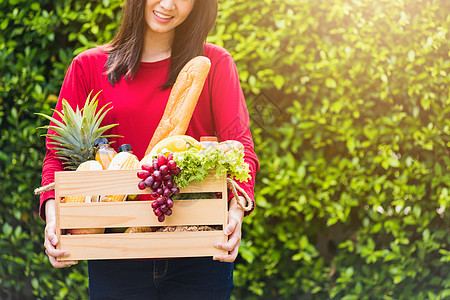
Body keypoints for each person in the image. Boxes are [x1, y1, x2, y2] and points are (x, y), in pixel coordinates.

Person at [40, 0, 259, 298]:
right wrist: (54, 219)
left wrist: (237, 211)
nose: (168, 4)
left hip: (198, 250)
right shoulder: (88, 66)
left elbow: (241, 146)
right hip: (116, 252)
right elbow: (56, 156)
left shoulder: (214, 62)